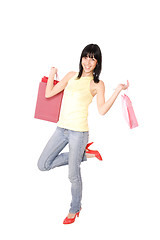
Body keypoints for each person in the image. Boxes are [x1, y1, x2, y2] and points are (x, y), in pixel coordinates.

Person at [37, 44, 129, 224]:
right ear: (81, 58)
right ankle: (83, 155)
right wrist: (52, 73)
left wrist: (117, 91)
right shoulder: (71, 76)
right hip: (61, 129)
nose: (88, 62)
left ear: (97, 63)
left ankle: (75, 208)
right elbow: (49, 94)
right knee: (43, 164)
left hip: (79, 132)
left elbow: (102, 110)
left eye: (93, 58)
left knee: (73, 174)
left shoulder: (97, 84)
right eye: (86, 57)